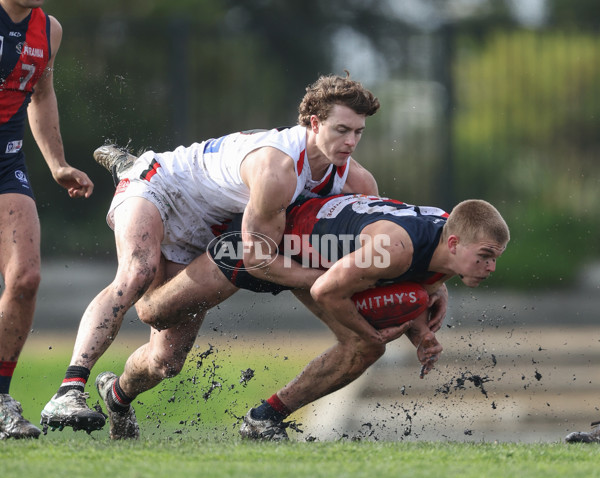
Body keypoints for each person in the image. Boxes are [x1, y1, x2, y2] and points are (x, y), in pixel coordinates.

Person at [41, 73, 421, 437]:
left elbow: (376, 252)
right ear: (314, 122)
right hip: (161, 185)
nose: (351, 142)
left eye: (358, 132)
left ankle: (118, 397)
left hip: (208, 230)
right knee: (137, 272)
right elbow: (258, 257)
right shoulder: (278, 168)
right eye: (342, 130)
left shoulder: (356, 182)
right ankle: (68, 391)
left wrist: (418, 316)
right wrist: (329, 281)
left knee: (165, 361)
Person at [97, 194, 507, 440]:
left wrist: (420, 331)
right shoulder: (395, 247)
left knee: (364, 347)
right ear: (454, 242)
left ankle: (264, 418)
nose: (490, 267)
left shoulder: (445, 246)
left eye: (494, 258)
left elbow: (412, 286)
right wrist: (374, 333)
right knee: (153, 317)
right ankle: (151, 195)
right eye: (485, 257)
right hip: (266, 251)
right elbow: (327, 290)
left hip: (313, 261)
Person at [0, 0, 94, 440]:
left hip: (6, 165)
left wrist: (57, 163)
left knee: (26, 278)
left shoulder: (48, 29)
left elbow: (41, 94)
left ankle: (0, 399)